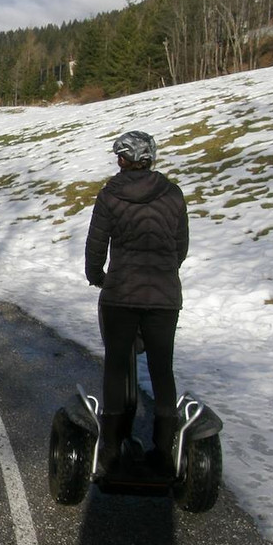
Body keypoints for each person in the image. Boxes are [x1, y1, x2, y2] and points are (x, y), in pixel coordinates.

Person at [84, 130, 189, 476]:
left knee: (116, 366)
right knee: (162, 368)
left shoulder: (111, 195)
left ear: (125, 160)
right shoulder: (172, 194)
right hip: (164, 297)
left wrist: (97, 275)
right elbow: (180, 248)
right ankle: (163, 450)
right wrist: (163, 274)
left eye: (119, 156)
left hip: (121, 295)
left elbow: (96, 246)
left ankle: (112, 450)